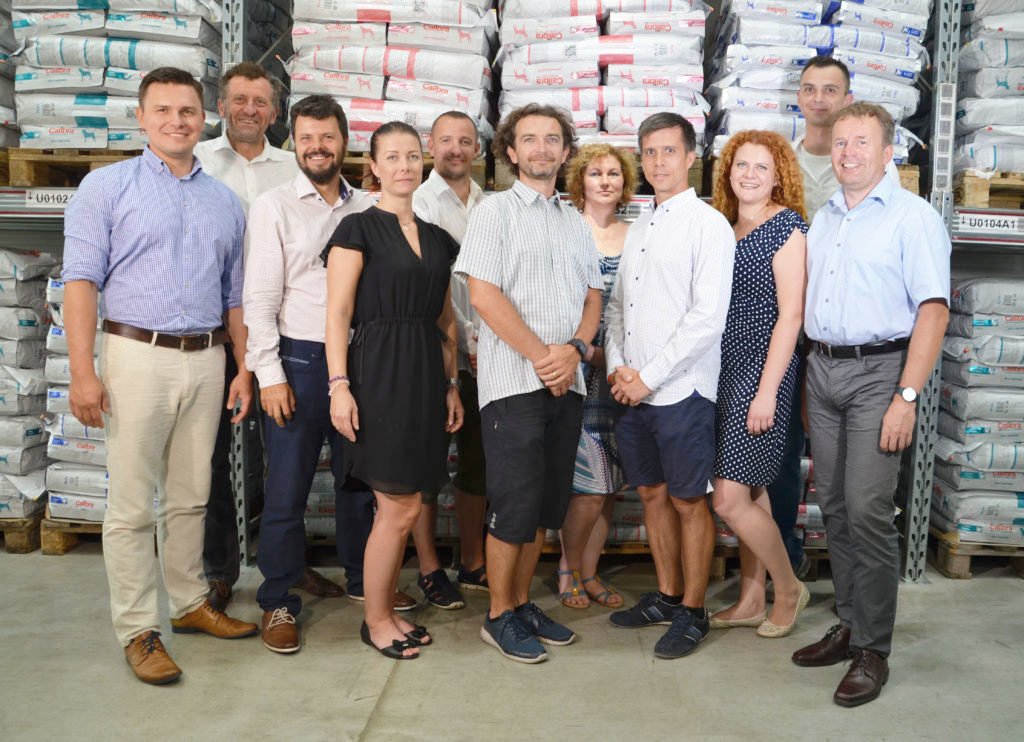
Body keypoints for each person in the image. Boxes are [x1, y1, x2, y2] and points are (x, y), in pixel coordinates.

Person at [62, 67, 258, 686]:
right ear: (142, 118)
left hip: (206, 357)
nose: (177, 121)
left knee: (191, 495)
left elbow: (235, 298)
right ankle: (138, 629)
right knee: (130, 505)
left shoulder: (223, 202)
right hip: (136, 354)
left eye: (188, 111)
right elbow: (80, 282)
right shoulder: (105, 187)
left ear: (205, 118)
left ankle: (190, 601)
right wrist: (82, 372)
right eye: (164, 110)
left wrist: (243, 367)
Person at [793, 102, 950, 707]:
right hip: (823, 368)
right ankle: (850, 623)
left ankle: (872, 649)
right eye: (840, 143)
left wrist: (905, 397)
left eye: (861, 142)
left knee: (866, 509)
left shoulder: (913, 218)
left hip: (880, 372)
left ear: (888, 153)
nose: (848, 152)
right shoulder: (826, 216)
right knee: (833, 506)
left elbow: (932, 311)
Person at [454, 103, 603, 664]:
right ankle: (498, 615)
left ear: (565, 152)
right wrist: (545, 357)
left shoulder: (574, 220)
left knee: (545, 506)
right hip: (514, 383)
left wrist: (576, 350)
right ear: (511, 152)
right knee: (513, 505)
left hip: (568, 383)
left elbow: (593, 296)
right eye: (530, 139)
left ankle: (520, 603)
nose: (542, 148)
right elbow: (483, 295)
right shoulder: (494, 212)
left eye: (553, 139)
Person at [193, 62, 345, 609]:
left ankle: (290, 569)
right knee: (213, 460)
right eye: (239, 100)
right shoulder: (197, 161)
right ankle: (219, 572)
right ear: (221, 106)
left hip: (274, 331)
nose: (249, 110)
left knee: (282, 468)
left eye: (260, 101)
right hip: (213, 325)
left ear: (275, 112)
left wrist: (261, 363)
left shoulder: (293, 167)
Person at [244, 95, 392, 653]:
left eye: (327, 136)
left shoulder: (368, 207)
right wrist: (269, 374)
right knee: (287, 490)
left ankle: (361, 580)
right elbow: (259, 298)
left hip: (360, 361)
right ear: (294, 144)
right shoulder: (274, 206)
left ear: (344, 142)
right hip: (300, 362)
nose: (317, 147)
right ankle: (278, 599)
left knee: (358, 485)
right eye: (306, 138)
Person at [323, 120, 464, 660]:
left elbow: (446, 318)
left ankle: (383, 611)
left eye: (412, 156)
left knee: (404, 508)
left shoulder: (437, 238)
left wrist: (451, 384)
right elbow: (338, 313)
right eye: (392, 157)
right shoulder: (356, 228)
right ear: (374, 167)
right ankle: (376, 620)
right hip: (377, 373)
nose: (404, 166)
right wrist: (339, 386)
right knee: (397, 508)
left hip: (425, 375)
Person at [604, 112, 735, 660]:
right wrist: (619, 369)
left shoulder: (709, 225)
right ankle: (666, 595)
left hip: (682, 392)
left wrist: (648, 378)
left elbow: (707, 320)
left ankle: (693, 611)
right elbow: (618, 307)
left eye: (669, 151)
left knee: (688, 501)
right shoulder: (639, 225)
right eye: (650, 152)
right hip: (633, 390)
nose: (658, 162)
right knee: (651, 494)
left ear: (691, 158)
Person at [708, 130, 811, 637]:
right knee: (751, 491)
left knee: (728, 499)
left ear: (778, 177)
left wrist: (768, 391)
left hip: (761, 370)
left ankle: (788, 588)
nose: (749, 175)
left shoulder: (787, 227)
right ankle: (750, 598)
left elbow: (791, 316)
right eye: (741, 164)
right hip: (721, 369)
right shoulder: (723, 228)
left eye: (761, 167)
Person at [410, 111, 488, 610]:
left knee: (478, 464)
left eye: (464, 141)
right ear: (430, 147)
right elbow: (432, 287)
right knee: (425, 466)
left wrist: (486, 341)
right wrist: (464, 340)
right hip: (435, 353)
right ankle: (429, 568)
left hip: (486, 356)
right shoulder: (418, 201)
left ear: (478, 149)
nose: (455, 149)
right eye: (446, 141)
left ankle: (472, 559)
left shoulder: (491, 204)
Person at [555, 143, 637, 610]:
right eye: (595, 173)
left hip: (621, 376)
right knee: (586, 486)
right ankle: (567, 570)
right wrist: (582, 350)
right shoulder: (567, 231)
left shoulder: (638, 235)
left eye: (613, 174)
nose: (605, 181)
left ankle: (590, 572)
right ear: (579, 182)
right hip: (578, 371)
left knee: (609, 487)